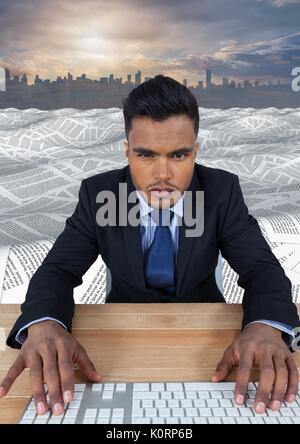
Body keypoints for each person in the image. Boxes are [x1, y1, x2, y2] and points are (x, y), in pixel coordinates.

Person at [1, 75, 299, 418]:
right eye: (145, 155)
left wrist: (263, 325)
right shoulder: (100, 196)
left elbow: (261, 269)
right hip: (120, 337)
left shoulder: (221, 192)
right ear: (126, 150)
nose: (163, 174)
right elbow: (59, 269)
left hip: (207, 337)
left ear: (195, 150)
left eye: (179, 155)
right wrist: (44, 324)